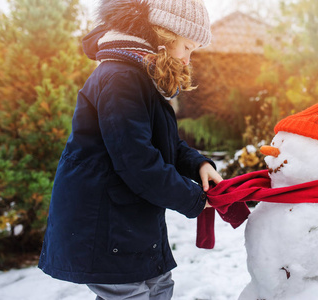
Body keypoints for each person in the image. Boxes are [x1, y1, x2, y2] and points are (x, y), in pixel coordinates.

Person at [38, 0, 222, 299]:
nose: (188, 60)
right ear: (163, 36)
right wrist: (193, 198)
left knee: (159, 285)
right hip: (106, 221)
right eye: (187, 47)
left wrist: (198, 165)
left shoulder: (141, 75)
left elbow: (166, 144)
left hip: (131, 219)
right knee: (131, 293)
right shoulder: (120, 78)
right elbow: (137, 160)